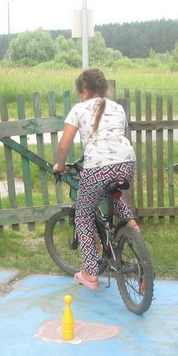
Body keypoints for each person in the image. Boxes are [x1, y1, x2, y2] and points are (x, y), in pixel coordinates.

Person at [53, 68, 138, 290]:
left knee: (83, 216)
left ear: (83, 91)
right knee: (112, 195)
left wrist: (60, 166)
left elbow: (63, 146)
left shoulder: (79, 109)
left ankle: (90, 274)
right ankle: (132, 226)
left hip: (98, 168)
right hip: (127, 163)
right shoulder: (117, 107)